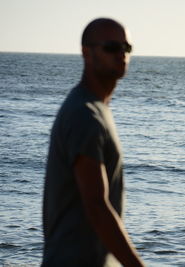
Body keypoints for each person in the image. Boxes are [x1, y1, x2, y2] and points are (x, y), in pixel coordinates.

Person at [42, 18, 145, 267]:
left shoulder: (96, 109)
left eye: (126, 48)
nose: (121, 54)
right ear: (86, 52)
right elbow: (97, 206)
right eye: (111, 47)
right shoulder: (84, 114)